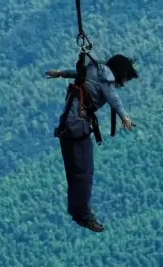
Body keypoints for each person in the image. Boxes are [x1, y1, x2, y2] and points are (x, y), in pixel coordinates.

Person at [45, 53, 138, 233]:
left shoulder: (93, 70)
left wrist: (59, 73)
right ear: (119, 72)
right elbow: (113, 99)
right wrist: (124, 117)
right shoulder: (105, 79)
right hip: (76, 127)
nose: (123, 84)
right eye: (124, 78)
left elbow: (76, 73)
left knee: (75, 172)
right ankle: (83, 214)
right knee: (83, 172)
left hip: (67, 126)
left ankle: (77, 211)